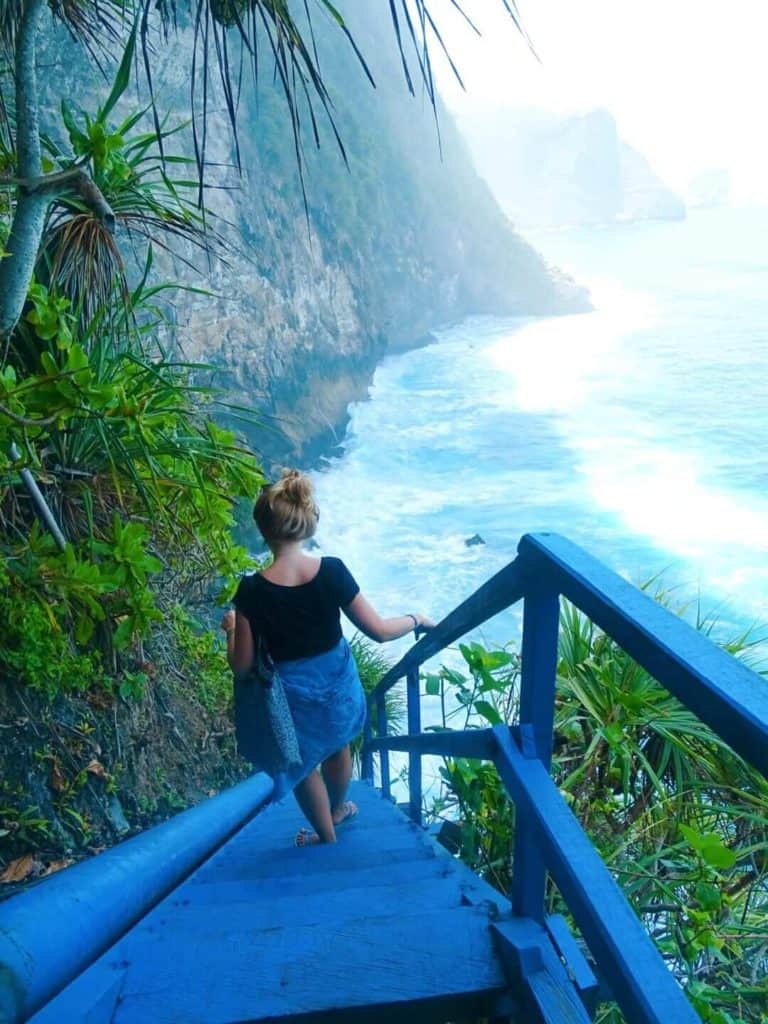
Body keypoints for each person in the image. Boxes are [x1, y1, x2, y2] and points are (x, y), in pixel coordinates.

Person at [222, 469, 433, 846]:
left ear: (263, 529)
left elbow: (241, 665)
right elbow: (381, 631)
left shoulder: (252, 590)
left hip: (292, 696)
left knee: (303, 766)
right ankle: (338, 807)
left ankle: (326, 835)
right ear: (306, 524)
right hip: (338, 683)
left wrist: (231, 630)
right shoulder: (332, 571)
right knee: (339, 744)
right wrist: (416, 619)